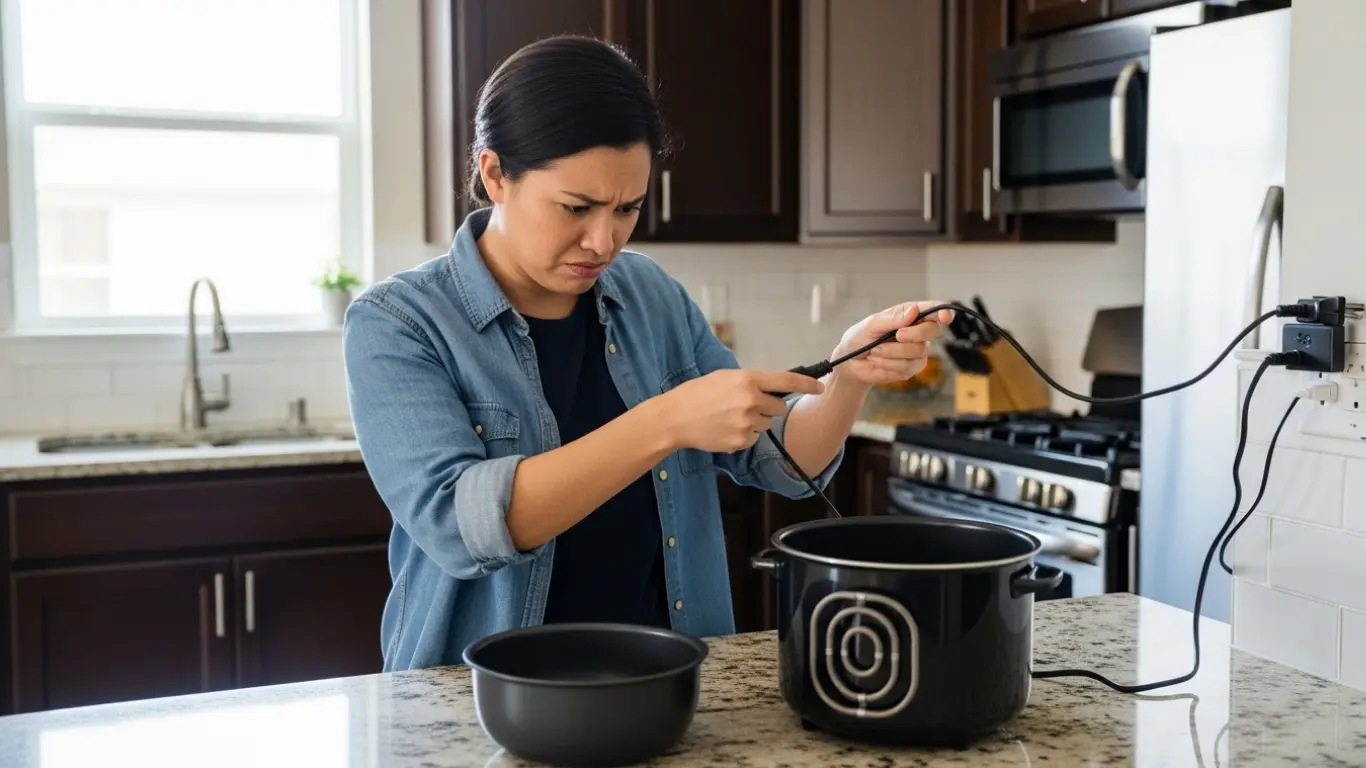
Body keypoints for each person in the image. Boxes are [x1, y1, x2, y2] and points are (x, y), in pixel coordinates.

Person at [342, 35, 952, 672]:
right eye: (575, 208)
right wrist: (666, 421)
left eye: (627, 207)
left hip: (671, 683)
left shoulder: (650, 294)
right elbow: (460, 528)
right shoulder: (398, 322)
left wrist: (850, 374)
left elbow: (782, 464)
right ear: (495, 175)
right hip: (479, 702)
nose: (602, 240)